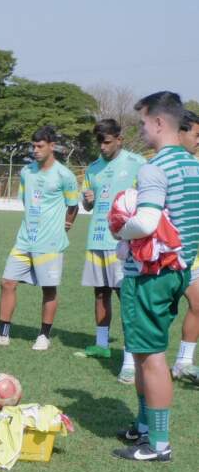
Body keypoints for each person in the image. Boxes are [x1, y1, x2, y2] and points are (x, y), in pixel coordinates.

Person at [112, 91, 199, 462]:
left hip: (151, 275)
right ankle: (144, 427)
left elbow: (146, 221)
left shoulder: (154, 167)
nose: (142, 130)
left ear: (160, 123)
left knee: (150, 358)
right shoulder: (194, 165)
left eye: (144, 123)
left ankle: (158, 444)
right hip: (179, 270)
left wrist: (120, 228)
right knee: (146, 352)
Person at [0, 126, 79, 351]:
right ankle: (2, 334)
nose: (35, 150)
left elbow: (73, 205)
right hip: (25, 239)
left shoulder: (65, 175)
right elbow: (26, 201)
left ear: (52, 146)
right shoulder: (26, 172)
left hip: (50, 242)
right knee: (7, 282)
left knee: (49, 288)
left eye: (40, 146)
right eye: (33, 146)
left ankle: (44, 335)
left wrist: (66, 226)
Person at [76, 119, 144, 383]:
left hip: (123, 242)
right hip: (96, 238)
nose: (102, 147)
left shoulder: (137, 163)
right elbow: (88, 204)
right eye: (99, 143)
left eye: (107, 142)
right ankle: (101, 345)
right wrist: (87, 200)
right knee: (100, 292)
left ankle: (129, 359)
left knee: (125, 297)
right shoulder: (93, 168)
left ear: (119, 139)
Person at [172, 111, 199, 381]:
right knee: (156, 316)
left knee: (198, 302)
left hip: (192, 254)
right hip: (164, 257)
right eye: (196, 134)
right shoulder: (161, 165)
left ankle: (183, 362)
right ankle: (132, 362)